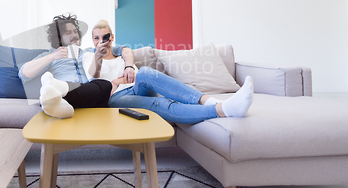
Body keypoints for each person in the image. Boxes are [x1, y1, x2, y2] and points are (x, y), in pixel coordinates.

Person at [81, 20, 254, 124]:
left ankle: (208, 100)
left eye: (105, 37)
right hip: (115, 98)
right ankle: (223, 109)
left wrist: (123, 73)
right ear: (93, 40)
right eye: (96, 38)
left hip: (135, 88)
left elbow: (130, 62)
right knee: (161, 104)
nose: (100, 41)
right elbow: (93, 78)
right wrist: (98, 57)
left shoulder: (122, 55)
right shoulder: (89, 56)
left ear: (111, 37)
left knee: (147, 72)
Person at [19, 14, 133, 119]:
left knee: (105, 85)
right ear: (59, 38)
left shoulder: (90, 51)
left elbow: (123, 50)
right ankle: (60, 102)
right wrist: (53, 56)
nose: (74, 35)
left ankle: (57, 98)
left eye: (75, 31)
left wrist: (129, 67)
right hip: (64, 93)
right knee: (51, 91)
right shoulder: (50, 54)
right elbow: (24, 74)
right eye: (68, 33)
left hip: (89, 94)